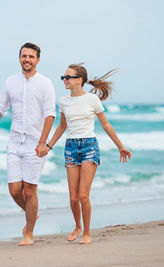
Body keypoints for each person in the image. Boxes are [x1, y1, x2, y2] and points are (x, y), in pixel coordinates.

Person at [46, 63, 132, 244]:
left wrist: (120, 146)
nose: (64, 80)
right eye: (64, 77)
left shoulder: (92, 100)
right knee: (72, 197)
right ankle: (77, 226)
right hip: (70, 147)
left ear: (79, 80)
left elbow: (106, 124)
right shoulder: (63, 101)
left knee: (83, 195)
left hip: (89, 147)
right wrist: (48, 146)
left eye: (67, 77)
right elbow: (62, 126)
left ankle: (87, 232)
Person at [0, 42, 56, 246]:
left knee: (30, 191)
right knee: (15, 190)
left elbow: (50, 114)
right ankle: (33, 213)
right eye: (24, 56)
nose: (27, 60)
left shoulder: (45, 83)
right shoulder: (10, 82)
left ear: (38, 60)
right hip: (15, 142)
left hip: (35, 144)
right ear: (19, 58)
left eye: (31, 56)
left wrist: (43, 142)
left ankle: (29, 233)